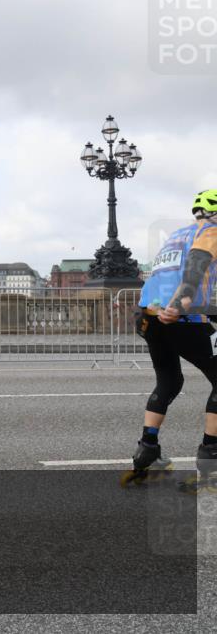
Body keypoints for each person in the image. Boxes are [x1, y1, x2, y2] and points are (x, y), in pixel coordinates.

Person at [125, 189, 217, 489]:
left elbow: (164, 275)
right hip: (180, 316)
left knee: (169, 380)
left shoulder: (177, 234)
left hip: (149, 315)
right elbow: (197, 265)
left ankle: (146, 454)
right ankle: (211, 464)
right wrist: (183, 302)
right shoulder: (211, 230)